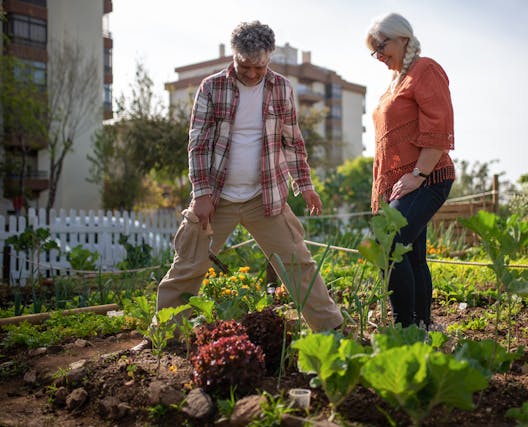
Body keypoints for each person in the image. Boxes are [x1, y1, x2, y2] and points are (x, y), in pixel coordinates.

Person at [132, 21, 343, 352]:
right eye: (246, 66)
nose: (254, 73)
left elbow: (292, 142)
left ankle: (330, 329)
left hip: (265, 198)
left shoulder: (282, 88)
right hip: (217, 199)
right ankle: (162, 335)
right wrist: (201, 195)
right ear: (235, 57)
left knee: (297, 263)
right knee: (189, 264)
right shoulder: (212, 87)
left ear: (269, 58)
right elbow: (198, 144)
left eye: (261, 66)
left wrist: (305, 185)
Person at [365, 13, 455, 329]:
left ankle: (406, 328)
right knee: (411, 255)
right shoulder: (396, 81)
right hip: (404, 182)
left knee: (387, 244)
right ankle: (422, 326)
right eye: (372, 50)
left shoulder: (424, 69)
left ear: (402, 37)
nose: (377, 55)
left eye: (381, 46)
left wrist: (417, 174)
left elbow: (438, 123)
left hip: (427, 177)